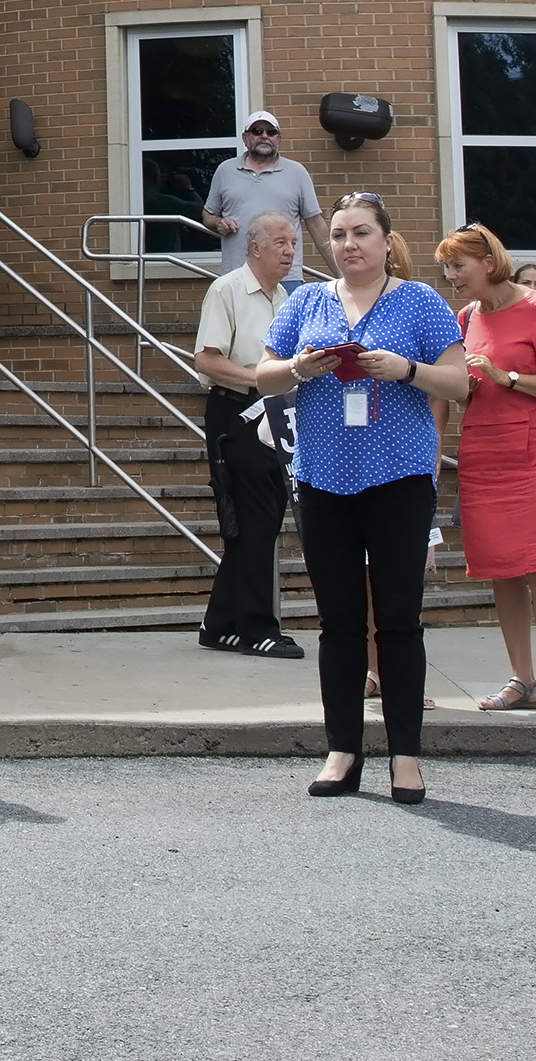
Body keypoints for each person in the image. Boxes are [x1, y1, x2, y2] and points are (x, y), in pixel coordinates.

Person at [254, 190, 466, 803]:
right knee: (339, 623)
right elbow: (262, 372)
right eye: (340, 234)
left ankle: (406, 757)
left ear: (386, 240)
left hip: (398, 480)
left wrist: (406, 370)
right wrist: (301, 367)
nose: (348, 244)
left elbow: (461, 382)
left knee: (399, 620)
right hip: (321, 479)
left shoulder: (420, 302)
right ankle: (343, 750)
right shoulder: (308, 300)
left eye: (361, 234)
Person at [432, 224, 536, 711]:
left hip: (530, 453)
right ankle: (522, 679)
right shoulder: (465, 316)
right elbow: (447, 389)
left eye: (458, 266)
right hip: (483, 454)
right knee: (503, 569)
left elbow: (507, 377)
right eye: (446, 268)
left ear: (489, 263)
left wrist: (507, 377)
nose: (451, 276)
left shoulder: (534, 307)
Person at [192, 210, 304, 659]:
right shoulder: (228, 289)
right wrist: (262, 379)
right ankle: (258, 628)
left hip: (275, 418)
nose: (290, 251)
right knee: (253, 523)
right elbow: (206, 360)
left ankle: (219, 625)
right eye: (280, 242)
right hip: (235, 415)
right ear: (254, 247)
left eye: (293, 243)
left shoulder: (285, 299)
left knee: (261, 522)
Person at [203, 112, 332, 283]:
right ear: (245, 137)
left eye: (271, 132)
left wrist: (341, 272)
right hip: (238, 277)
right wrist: (219, 223)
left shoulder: (297, 172)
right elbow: (208, 215)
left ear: (279, 139)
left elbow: (316, 223)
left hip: (286, 278)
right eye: (257, 131)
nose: (264, 136)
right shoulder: (225, 171)